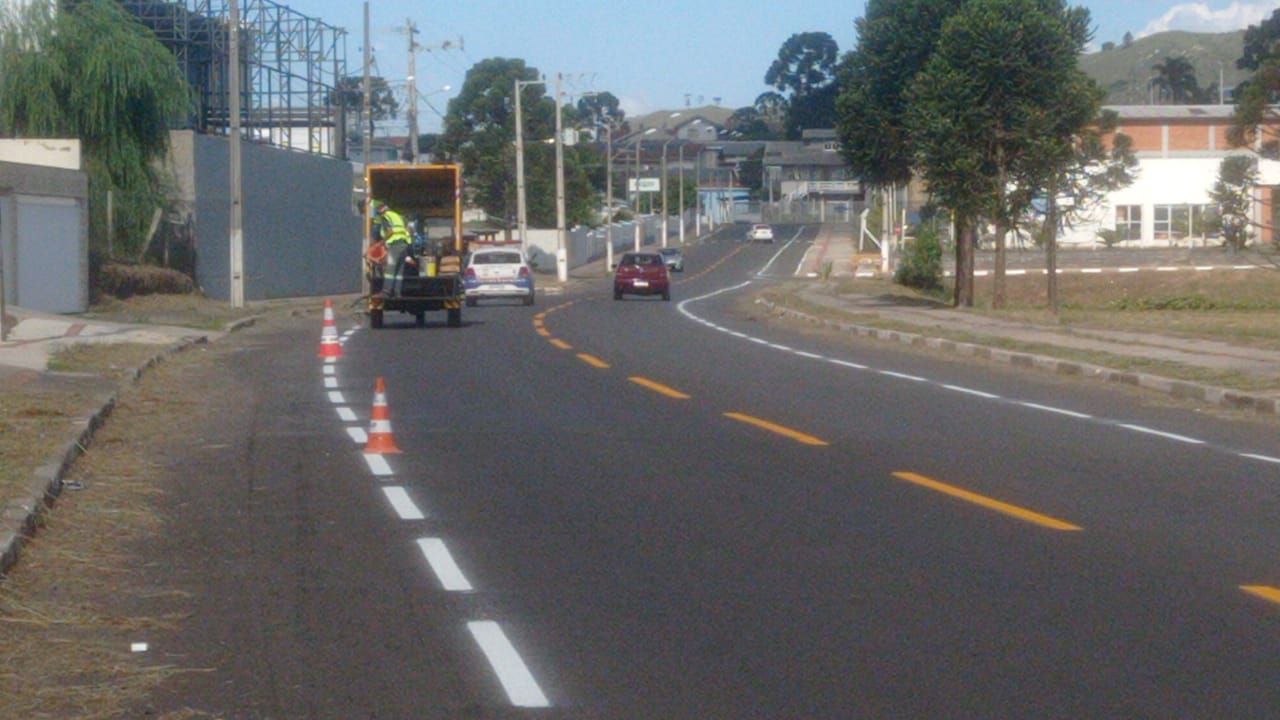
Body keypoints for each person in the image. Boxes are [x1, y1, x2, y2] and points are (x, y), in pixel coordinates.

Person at [371, 200, 414, 297]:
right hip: (404, 245)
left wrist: (380, 243)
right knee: (399, 271)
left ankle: (386, 292)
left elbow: (390, 231)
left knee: (390, 269)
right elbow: (410, 230)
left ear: (379, 210)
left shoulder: (385, 216)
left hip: (395, 245)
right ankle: (397, 292)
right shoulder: (397, 216)